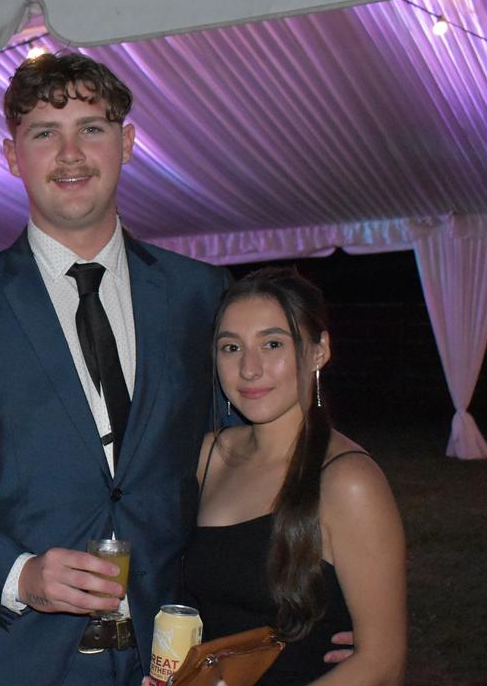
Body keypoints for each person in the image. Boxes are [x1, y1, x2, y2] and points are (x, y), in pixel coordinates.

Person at [0, 52, 351, 685]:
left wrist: (324, 611)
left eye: (92, 128)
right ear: (11, 155)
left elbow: (248, 454)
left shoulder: (201, 294)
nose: (71, 153)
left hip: (183, 646)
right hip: (24, 658)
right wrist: (18, 573)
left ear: (126, 143)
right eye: (45, 133)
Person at [178, 268, 406, 684]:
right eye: (231, 347)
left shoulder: (348, 482)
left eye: (272, 344)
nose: (249, 368)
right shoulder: (208, 456)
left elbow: (382, 663)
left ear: (318, 352)